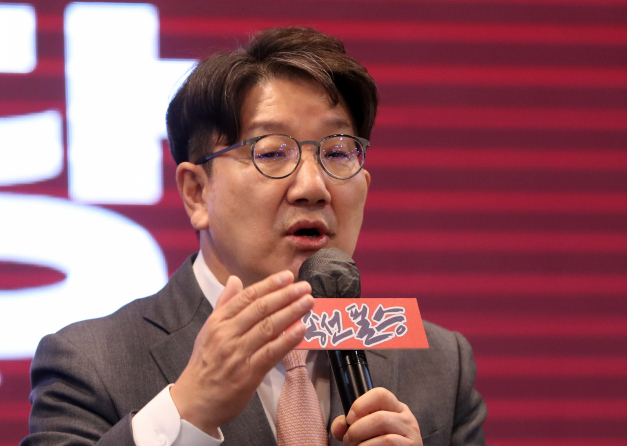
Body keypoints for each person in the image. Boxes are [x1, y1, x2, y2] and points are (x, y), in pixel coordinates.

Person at [22, 27, 487, 446]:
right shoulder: (90, 363)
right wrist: (186, 414)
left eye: (338, 152)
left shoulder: (442, 365)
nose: (313, 187)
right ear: (196, 193)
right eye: (272, 152)